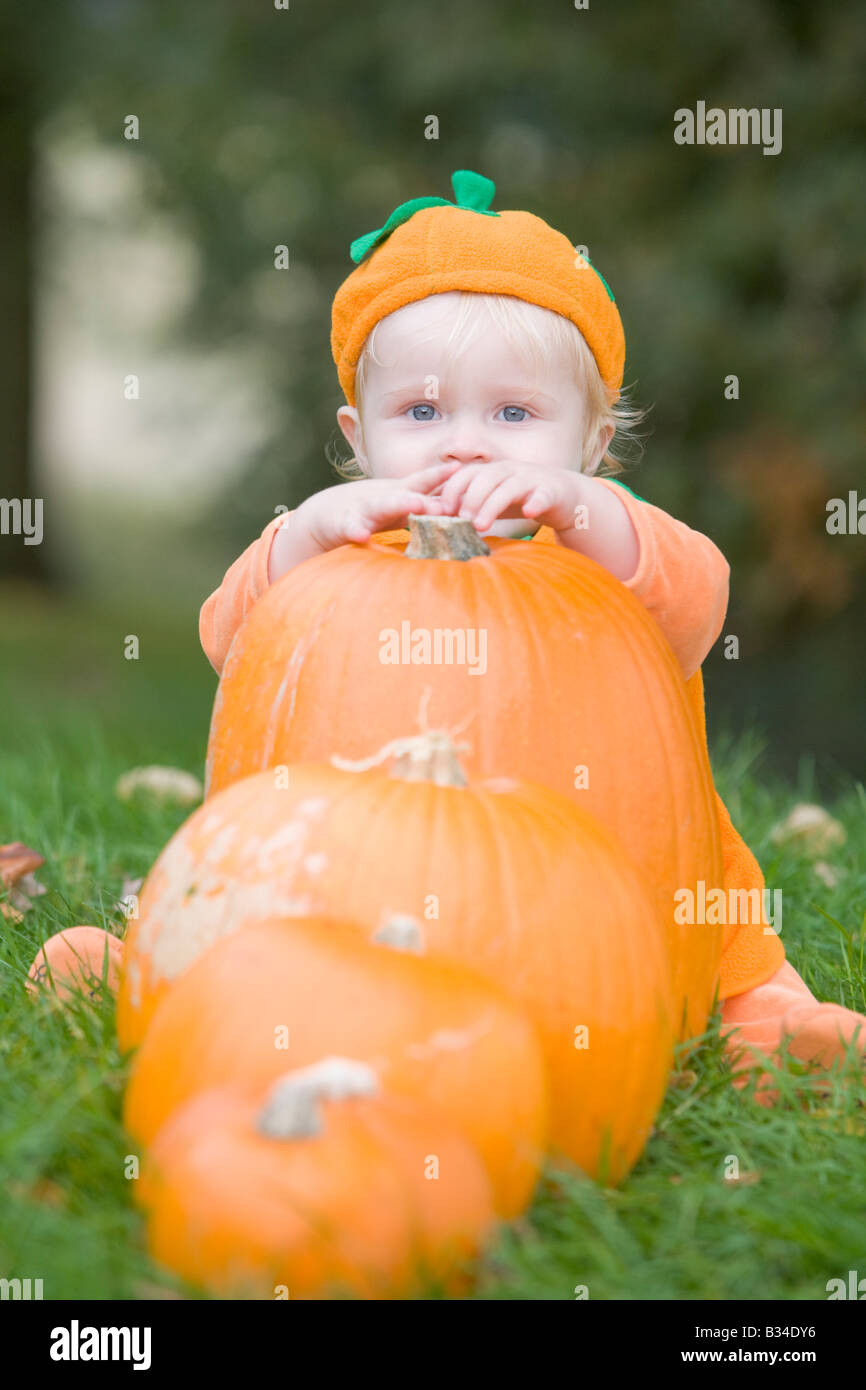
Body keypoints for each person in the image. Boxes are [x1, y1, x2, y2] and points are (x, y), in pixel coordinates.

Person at [200, 168, 866, 1100]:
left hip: (628, 907)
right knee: (270, 981)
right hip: (377, 904)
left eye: (513, 414)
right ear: (360, 434)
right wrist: (300, 538)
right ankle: (156, 980)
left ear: (592, 444)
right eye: (422, 413)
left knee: (726, 984)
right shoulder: (343, 556)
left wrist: (588, 513)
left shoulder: (604, 549)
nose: (464, 444)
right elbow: (235, 648)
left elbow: (700, 600)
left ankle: (774, 1034)